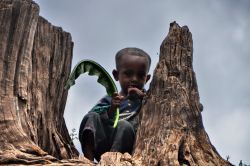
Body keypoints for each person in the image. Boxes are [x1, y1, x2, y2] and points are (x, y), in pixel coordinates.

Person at [79, 47, 151, 161]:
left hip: (125, 147)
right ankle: (88, 159)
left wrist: (143, 97)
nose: (134, 79)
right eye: (128, 74)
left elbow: (156, 113)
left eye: (140, 76)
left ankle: (112, 162)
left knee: (124, 125)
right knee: (91, 116)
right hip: (103, 141)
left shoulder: (149, 99)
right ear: (116, 75)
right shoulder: (110, 99)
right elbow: (95, 117)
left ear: (147, 79)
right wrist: (112, 108)